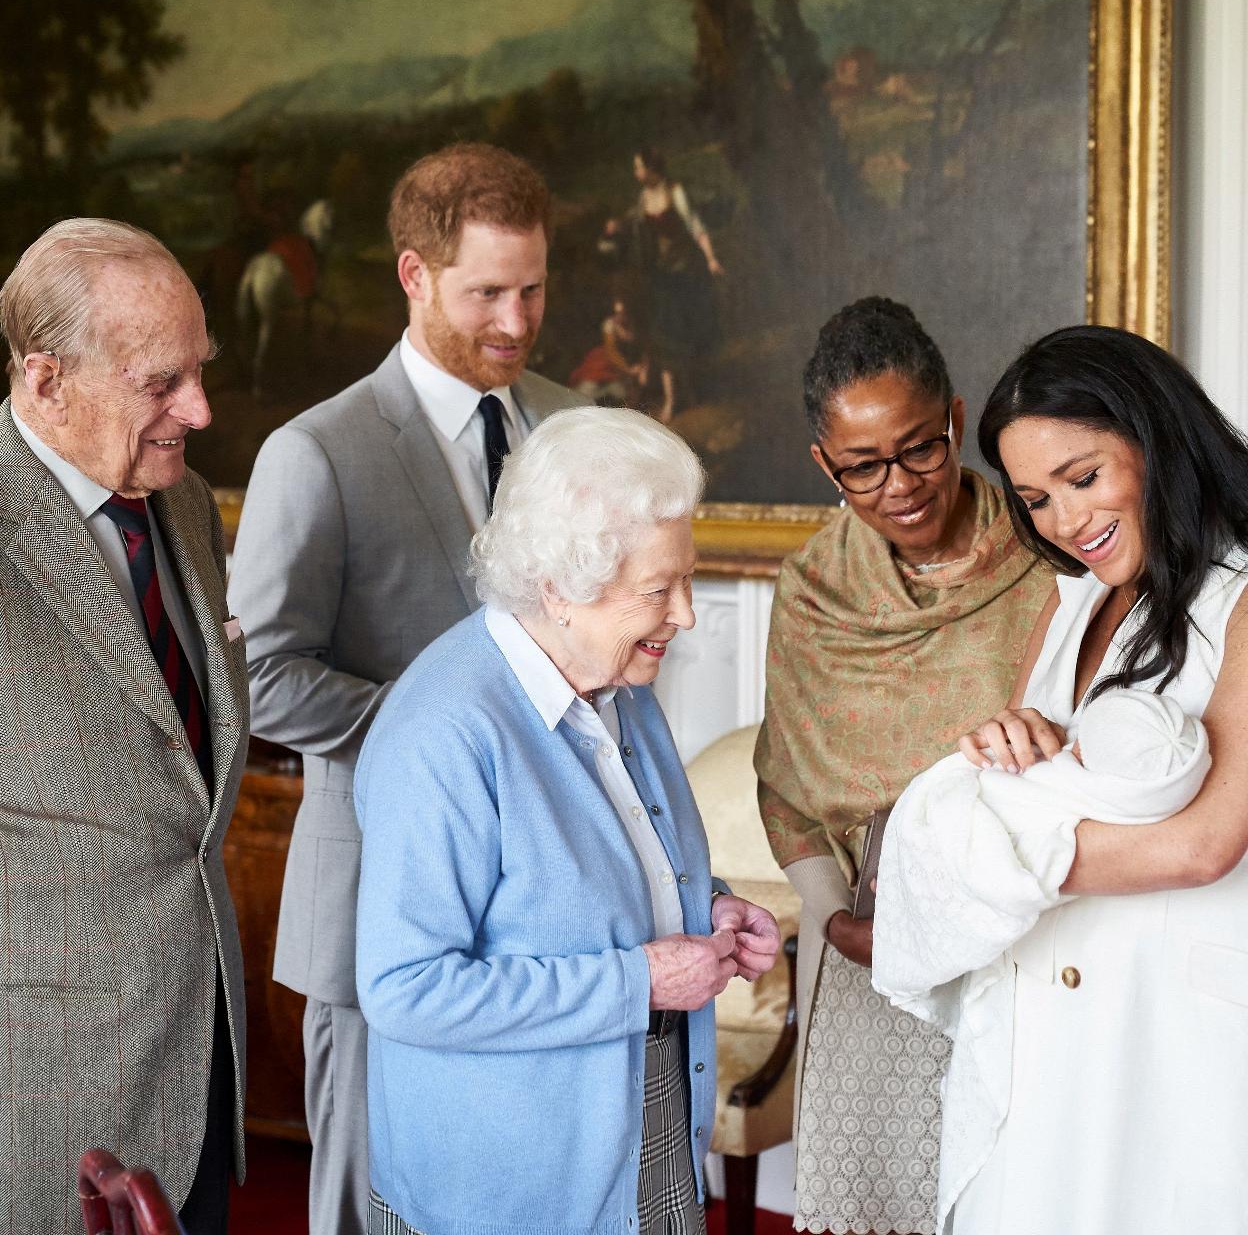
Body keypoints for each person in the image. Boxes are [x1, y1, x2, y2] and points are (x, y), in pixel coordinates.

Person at [228, 142, 581, 1235]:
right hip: (378, 900)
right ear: (413, 276)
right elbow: (262, 679)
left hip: (546, 917)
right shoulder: (316, 451)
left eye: (532, 290)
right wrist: (455, 727)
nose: (517, 324)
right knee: (367, 1207)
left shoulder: (572, 427)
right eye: (485, 293)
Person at [354, 406, 781, 1235]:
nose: (686, 614)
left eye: (686, 579)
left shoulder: (618, 681)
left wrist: (709, 906)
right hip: (507, 1184)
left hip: (644, 1128)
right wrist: (641, 981)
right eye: (660, 589)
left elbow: (604, 873)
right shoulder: (443, 734)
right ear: (559, 588)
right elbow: (406, 991)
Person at [932, 324, 1248, 1234]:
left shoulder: (1242, 597)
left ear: (1156, 440)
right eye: (1034, 498)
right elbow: (1033, 773)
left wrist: (983, 854)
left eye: (1084, 477)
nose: (1065, 521)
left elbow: (1206, 844)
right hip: (1045, 1023)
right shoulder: (1069, 600)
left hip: (1172, 1032)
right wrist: (1005, 743)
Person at [753, 297, 1053, 1235]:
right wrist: (832, 915)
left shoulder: (1052, 557)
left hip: (1031, 925)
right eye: (862, 467)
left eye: (922, 448)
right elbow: (787, 783)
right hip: (869, 943)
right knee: (882, 1202)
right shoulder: (811, 595)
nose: (902, 485)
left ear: (956, 419)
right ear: (824, 465)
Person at [0, 218, 249, 1235]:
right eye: (161, 382)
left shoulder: (184, 509)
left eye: (200, 370)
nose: (198, 408)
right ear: (45, 380)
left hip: (205, 1058)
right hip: (45, 1098)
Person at [872, 689, 1211, 1232]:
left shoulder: (1072, 786)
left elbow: (1201, 849)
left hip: (1124, 988)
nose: (1069, 753)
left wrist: (937, 866)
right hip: (1032, 982)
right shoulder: (1067, 603)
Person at [602, 149, 722, 423]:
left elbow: (696, 226)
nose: (636, 173)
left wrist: (711, 259)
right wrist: (616, 226)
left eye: (638, 167)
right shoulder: (644, 198)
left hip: (685, 274)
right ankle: (673, 400)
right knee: (665, 336)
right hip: (661, 276)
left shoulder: (675, 192)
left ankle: (690, 394)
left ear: (651, 168)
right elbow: (633, 220)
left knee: (682, 334)